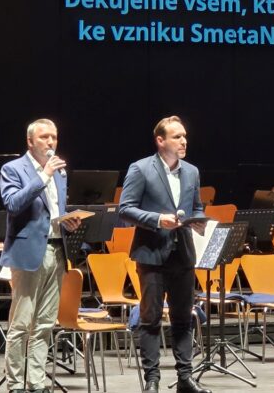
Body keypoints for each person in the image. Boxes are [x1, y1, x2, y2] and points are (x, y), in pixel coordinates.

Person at [119, 115, 211, 393]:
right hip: (151, 253)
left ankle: (185, 377)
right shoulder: (141, 168)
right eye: (177, 137)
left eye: (184, 136)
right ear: (160, 141)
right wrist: (158, 220)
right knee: (151, 318)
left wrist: (199, 220)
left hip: (183, 253)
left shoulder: (192, 171)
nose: (184, 141)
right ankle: (152, 379)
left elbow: (196, 206)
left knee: (184, 317)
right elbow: (125, 209)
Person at [0, 118, 81, 393]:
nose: (50, 142)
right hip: (28, 253)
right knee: (21, 322)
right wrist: (44, 175)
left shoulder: (61, 173)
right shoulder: (13, 169)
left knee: (45, 323)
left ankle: (35, 382)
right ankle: (15, 384)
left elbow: (55, 211)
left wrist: (68, 222)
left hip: (57, 249)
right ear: (30, 141)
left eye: (54, 137)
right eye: (44, 137)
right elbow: (13, 204)